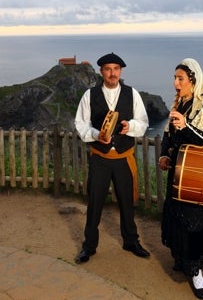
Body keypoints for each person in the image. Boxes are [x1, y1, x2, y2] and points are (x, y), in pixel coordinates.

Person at [159, 58, 203, 299]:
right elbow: (169, 134)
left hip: (197, 175)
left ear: (193, 81)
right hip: (179, 171)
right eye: (175, 78)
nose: (175, 83)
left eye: (180, 79)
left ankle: (196, 271)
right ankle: (183, 258)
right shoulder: (180, 102)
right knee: (179, 219)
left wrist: (186, 125)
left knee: (194, 222)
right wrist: (164, 156)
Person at [74, 52, 150, 264]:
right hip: (100, 158)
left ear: (121, 71)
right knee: (95, 201)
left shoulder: (132, 94)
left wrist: (130, 126)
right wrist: (96, 135)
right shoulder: (90, 95)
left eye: (116, 69)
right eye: (108, 69)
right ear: (101, 72)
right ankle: (89, 246)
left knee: (127, 202)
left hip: (124, 157)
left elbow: (143, 122)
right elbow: (80, 124)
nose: (112, 73)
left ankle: (131, 241)